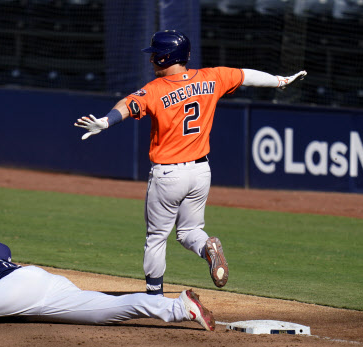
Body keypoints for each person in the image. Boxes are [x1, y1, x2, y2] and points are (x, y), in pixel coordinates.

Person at [75, 30, 306, 295]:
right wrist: (280, 81)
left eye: (154, 56)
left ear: (165, 58)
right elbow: (246, 75)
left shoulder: (156, 89)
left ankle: (154, 296)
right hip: (200, 172)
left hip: (168, 175)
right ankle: (208, 247)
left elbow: (127, 105)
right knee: (189, 232)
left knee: (156, 238)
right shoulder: (212, 76)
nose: (151, 61)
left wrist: (106, 121)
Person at [0, 183, 216, 331]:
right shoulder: (5, 266)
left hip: (22, 288)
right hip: (50, 287)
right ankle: (178, 306)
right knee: (108, 311)